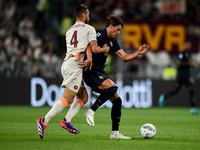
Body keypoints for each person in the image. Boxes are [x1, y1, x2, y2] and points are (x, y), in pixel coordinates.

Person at [65, 14, 149, 139]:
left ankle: (115, 133)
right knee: (113, 88)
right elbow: (89, 46)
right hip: (91, 71)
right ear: (110, 26)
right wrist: (90, 58)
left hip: (99, 72)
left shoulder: (112, 41)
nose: (118, 32)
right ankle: (91, 110)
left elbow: (124, 57)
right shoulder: (100, 34)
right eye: (118, 29)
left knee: (117, 100)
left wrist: (138, 52)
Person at [36, 4, 109, 139]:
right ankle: (44, 120)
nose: (89, 16)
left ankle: (66, 121)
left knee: (84, 97)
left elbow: (85, 46)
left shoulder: (69, 30)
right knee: (68, 98)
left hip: (69, 62)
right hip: (75, 65)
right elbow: (94, 47)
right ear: (83, 15)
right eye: (87, 14)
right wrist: (104, 49)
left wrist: (90, 59)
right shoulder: (90, 28)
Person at [159, 40, 198, 115]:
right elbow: (179, 63)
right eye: (186, 45)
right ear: (184, 45)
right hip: (180, 75)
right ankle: (164, 97)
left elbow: (191, 64)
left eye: (189, 45)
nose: (188, 46)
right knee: (175, 91)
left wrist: (192, 65)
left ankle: (192, 108)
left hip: (187, 76)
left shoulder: (191, 54)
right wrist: (188, 63)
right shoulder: (182, 53)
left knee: (191, 90)